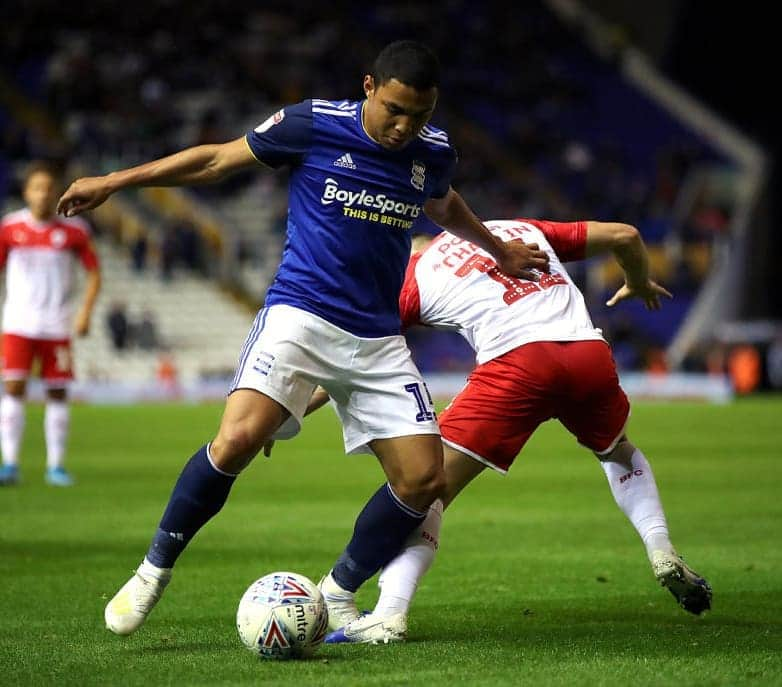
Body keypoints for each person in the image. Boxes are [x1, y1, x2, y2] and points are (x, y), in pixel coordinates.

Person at [55, 40, 550, 636]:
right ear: (369, 87)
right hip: (301, 316)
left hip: (376, 337)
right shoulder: (311, 124)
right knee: (236, 438)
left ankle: (338, 593)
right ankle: (152, 570)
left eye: (419, 115)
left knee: (424, 481)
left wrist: (498, 248)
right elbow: (215, 161)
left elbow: (443, 206)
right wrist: (114, 181)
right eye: (394, 109)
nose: (403, 126)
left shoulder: (434, 150)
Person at [315, 218, 712, 644]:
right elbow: (627, 236)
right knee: (618, 452)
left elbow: (352, 353)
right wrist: (637, 282)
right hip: (587, 354)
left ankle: (388, 613)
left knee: (426, 489)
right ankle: (661, 549)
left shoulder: (410, 276)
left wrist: (292, 409)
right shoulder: (520, 228)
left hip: (518, 365)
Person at [0, 160, 102, 487]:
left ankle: (55, 466)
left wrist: (85, 311)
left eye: (48, 188)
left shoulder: (74, 231)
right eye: (36, 188)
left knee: (57, 392)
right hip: (18, 322)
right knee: (13, 388)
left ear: (57, 192)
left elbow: (94, 272)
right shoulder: (9, 228)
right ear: (26, 192)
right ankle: (10, 463)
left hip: (56, 324)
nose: (43, 194)